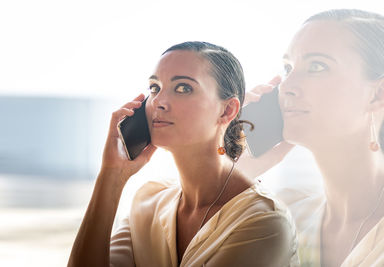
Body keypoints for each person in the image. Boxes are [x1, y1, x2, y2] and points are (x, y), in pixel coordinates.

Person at [67, 41, 299, 267]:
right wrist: (111, 176)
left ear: (227, 110)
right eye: (155, 88)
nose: (158, 102)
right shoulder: (149, 200)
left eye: (183, 88)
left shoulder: (264, 222)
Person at [239, 9, 384, 267]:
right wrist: (233, 174)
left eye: (317, 66)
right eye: (287, 68)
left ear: (377, 94)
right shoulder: (284, 216)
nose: (287, 86)